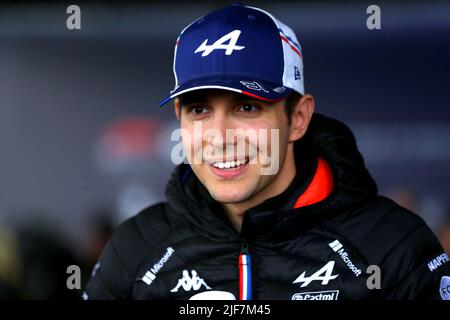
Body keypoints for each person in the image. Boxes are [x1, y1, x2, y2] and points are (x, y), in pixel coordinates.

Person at [84, 4, 450, 300]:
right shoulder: (136, 249)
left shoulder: (390, 245)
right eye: (199, 110)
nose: (220, 137)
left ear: (299, 118)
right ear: (180, 118)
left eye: (247, 108)